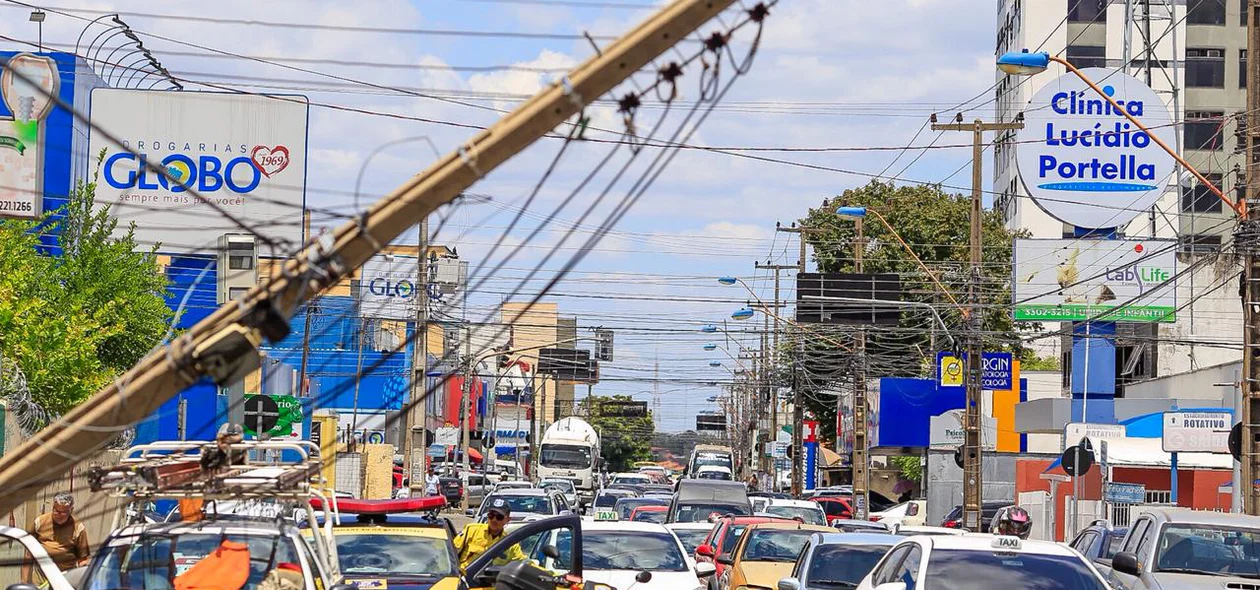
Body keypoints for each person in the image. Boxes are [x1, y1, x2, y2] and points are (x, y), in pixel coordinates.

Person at [23, 492, 90, 582]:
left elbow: (83, 560)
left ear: (71, 510)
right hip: (41, 579)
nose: (59, 515)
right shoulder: (40, 522)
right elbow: (28, 556)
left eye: (63, 512)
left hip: (65, 580)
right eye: (56, 510)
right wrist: (24, 582)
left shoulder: (78, 528)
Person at [453, 498, 526, 571]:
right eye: (491, 515)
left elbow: (524, 562)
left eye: (499, 517)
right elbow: (450, 553)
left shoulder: (510, 544)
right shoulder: (471, 530)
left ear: (507, 520)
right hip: (463, 578)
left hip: (491, 581)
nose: (494, 520)